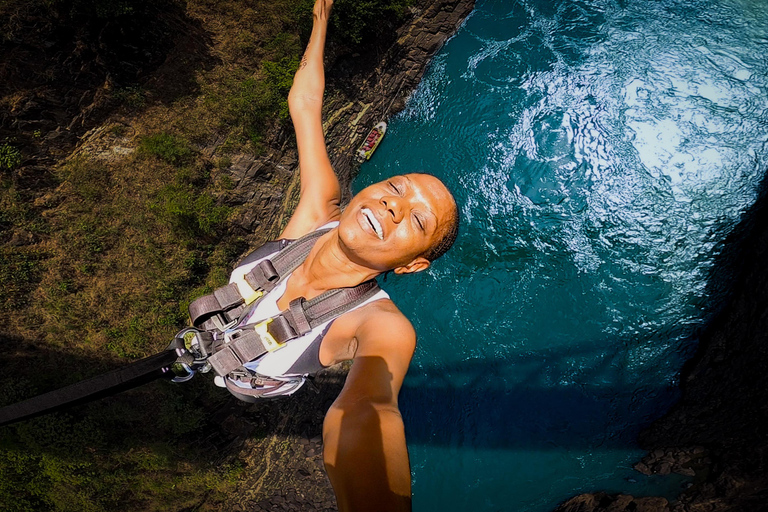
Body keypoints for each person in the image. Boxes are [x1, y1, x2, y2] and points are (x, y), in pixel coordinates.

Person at [230, 1, 458, 510]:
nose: (393, 206)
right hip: (209, 332)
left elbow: (368, 409)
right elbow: (306, 104)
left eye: (417, 222)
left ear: (411, 265)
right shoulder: (317, 212)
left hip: (249, 387)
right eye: (396, 187)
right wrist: (321, 17)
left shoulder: (380, 326)